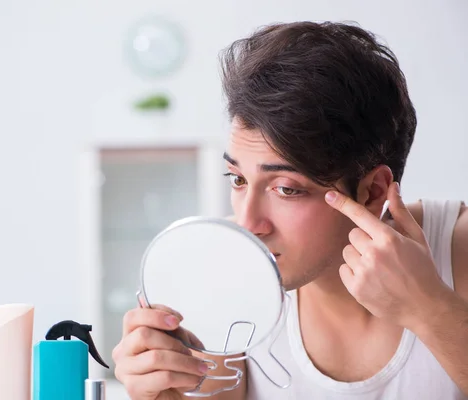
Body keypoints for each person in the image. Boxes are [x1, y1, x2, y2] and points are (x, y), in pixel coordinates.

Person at [111, 21, 468, 399]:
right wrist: (161, 388)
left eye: (285, 189)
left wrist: (430, 310)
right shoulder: (224, 273)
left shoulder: (456, 251)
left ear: (371, 192)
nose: (248, 224)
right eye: (238, 180)